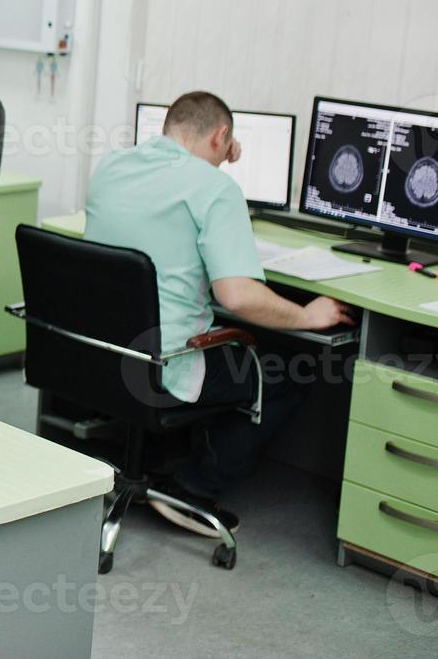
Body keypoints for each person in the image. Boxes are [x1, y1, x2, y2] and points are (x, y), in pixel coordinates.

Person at [86, 90, 353, 536]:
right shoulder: (215, 188)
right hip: (162, 365)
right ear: (222, 135)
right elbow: (238, 297)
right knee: (298, 366)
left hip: (97, 349)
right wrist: (309, 316)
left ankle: (154, 456)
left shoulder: (111, 167)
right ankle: (193, 486)